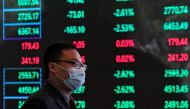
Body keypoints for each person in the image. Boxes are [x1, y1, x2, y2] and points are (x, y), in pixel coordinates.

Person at [21, 43, 87, 109]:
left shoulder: (68, 101)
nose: (80, 69)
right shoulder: (38, 103)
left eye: (81, 64)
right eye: (74, 63)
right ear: (53, 67)